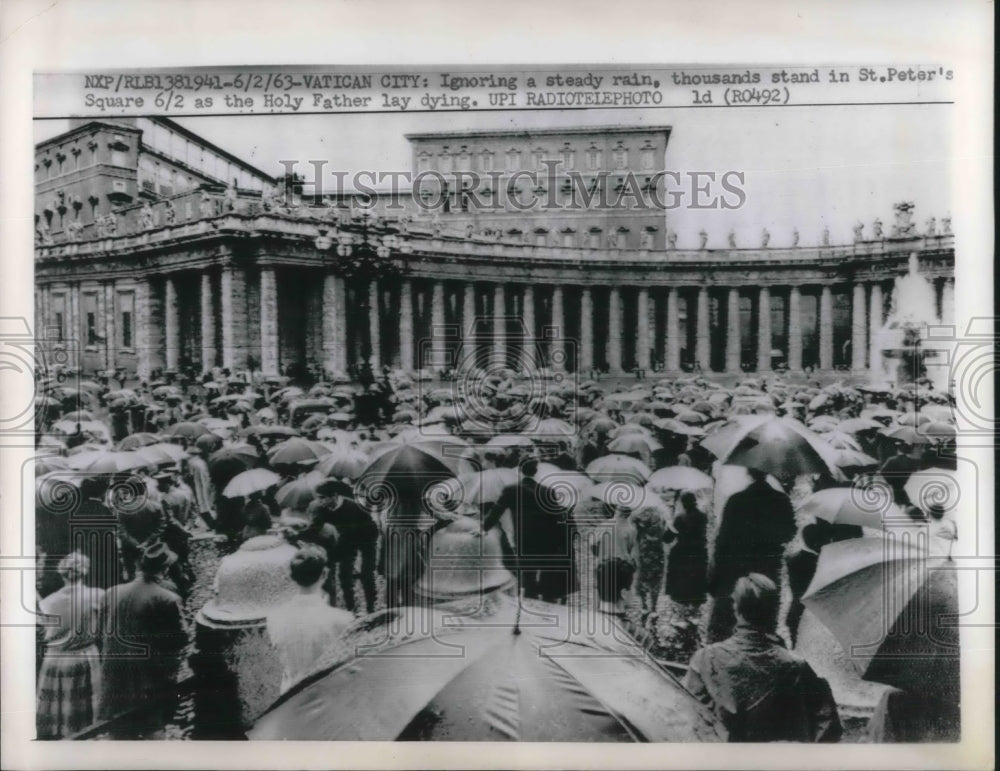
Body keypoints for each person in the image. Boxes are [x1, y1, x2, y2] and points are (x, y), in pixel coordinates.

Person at [684, 574, 842, 742]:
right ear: (775, 612)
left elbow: (685, 715)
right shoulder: (797, 667)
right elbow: (828, 728)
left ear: (736, 610)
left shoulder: (705, 659)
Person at [100, 542, 188, 738]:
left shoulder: (111, 592)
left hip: (114, 677)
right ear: (165, 569)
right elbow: (180, 639)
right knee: (153, 730)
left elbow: (101, 632)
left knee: (119, 732)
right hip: (150, 681)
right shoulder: (168, 599)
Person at [706, 467, 796, 643]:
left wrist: (717, 569)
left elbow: (723, 538)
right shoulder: (781, 499)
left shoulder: (736, 499)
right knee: (766, 610)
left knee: (730, 613)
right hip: (768, 564)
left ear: (748, 474)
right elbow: (789, 532)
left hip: (736, 565)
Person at [482, 457, 579, 604]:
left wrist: (483, 528)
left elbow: (496, 511)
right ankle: (548, 599)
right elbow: (555, 516)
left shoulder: (511, 490)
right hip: (545, 538)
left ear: (520, 470)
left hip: (523, 538)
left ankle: (530, 599)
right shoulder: (547, 491)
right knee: (546, 570)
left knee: (528, 574)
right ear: (536, 471)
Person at [265, 543, 355, 695]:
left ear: (291, 576)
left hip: (290, 697)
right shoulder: (343, 620)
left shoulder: (273, 617)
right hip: (327, 696)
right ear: (325, 574)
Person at [36, 553, 106, 739]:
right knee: (83, 714)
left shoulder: (47, 602)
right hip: (82, 656)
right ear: (85, 572)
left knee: (57, 713)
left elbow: (43, 633)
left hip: (54, 659)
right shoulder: (98, 595)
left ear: (62, 574)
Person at [306, 479, 380, 615]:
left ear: (334, 496)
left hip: (367, 537)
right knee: (344, 575)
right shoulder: (322, 508)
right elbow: (315, 528)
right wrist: (296, 535)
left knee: (366, 573)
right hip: (347, 537)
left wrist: (330, 558)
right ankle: (351, 609)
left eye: (323, 498)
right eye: (318, 498)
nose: (320, 501)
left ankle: (371, 607)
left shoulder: (352, 507)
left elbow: (347, 540)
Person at [663, 491, 709, 606]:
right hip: (698, 552)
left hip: (682, 553)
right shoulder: (703, 516)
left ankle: (683, 611)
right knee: (696, 581)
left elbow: (667, 538)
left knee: (682, 584)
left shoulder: (680, 518)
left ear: (683, 503)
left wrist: (668, 525)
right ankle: (695, 609)